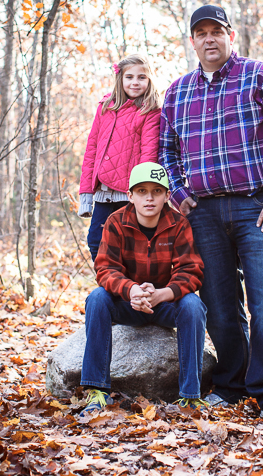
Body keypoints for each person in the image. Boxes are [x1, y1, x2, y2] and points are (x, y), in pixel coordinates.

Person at [159, 4, 263, 417]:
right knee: (220, 304)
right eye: (201, 33)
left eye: (217, 31)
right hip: (202, 213)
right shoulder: (178, 91)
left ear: (230, 36)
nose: (210, 39)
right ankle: (231, 383)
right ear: (192, 41)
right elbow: (166, 150)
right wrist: (177, 190)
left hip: (257, 206)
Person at [80, 162, 207, 414]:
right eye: (141, 191)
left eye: (156, 191)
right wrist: (131, 290)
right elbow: (106, 268)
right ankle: (96, 391)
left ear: (167, 195)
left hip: (163, 304)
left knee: (193, 305)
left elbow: (190, 270)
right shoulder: (115, 222)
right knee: (96, 298)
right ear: (130, 195)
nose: (149, 198)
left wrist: (163, 294)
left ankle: (190, 396)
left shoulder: (178, 223)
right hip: (128, 303)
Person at [79, 54, 163, 260]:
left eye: (141, 77)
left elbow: (149, 155)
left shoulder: (151, 111)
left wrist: (142, 193)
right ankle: (111, 286)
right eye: (130, 77)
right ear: (120, 79)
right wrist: (86, 193)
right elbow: (92, 149)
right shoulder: (105, 106)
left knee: (131, 247)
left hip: (129, 195)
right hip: (103, 193)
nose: (135, 82)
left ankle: (131, 288)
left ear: (150, 79)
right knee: (96, 241)